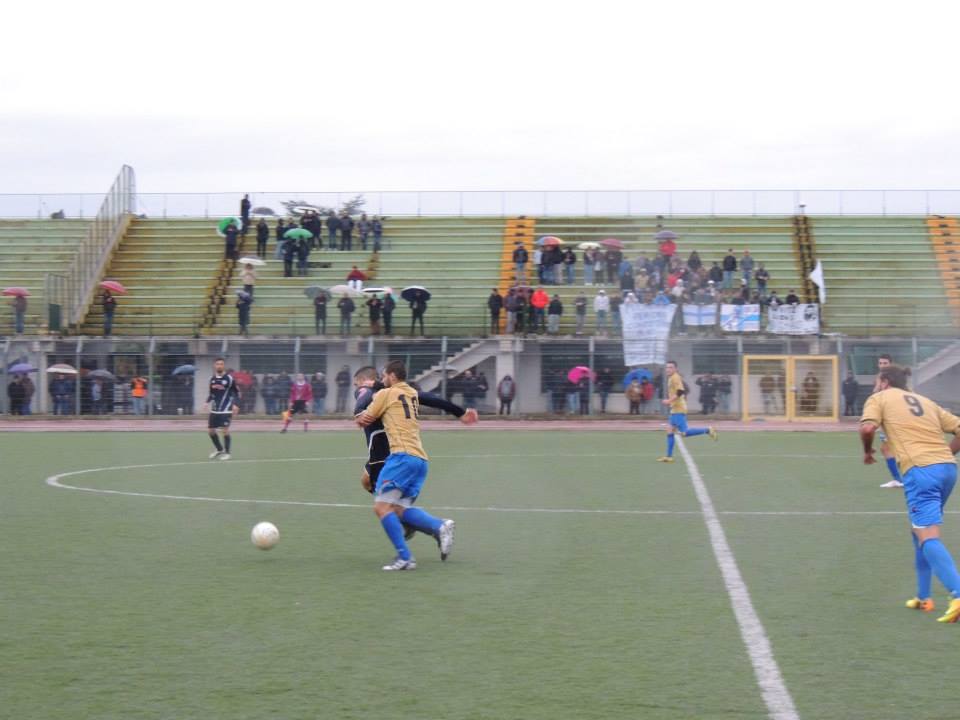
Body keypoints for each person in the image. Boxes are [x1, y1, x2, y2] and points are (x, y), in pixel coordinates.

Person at [860, 364, 960, 622]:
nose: (875, 386)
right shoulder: (925, 401)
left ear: (884, 382)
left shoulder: (879, 398)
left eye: (876, 381)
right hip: (948, 469)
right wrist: (946, 454)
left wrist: (867, 452)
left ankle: (958, 593)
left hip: (920, 471)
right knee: (919, 531)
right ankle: (924, 597)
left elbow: (868, 428)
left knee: (927, 535)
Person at [355, 360, 465, 570]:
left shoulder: (385, 394)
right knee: (399, 508)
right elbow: (432, 400)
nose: (383, 379)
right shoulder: (412, 394)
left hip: (401, 458)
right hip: (420, 459)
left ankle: (405, 558)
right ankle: (439, 526)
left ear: (392, 376)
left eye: (384, 375)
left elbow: (363, 419)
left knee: (381, 507)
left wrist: (368, 393)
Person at [658, 360, 718, 462]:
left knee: (684, 432)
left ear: (675, 369)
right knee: (669, 430)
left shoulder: (675, 377)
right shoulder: (671, 378)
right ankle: (669, 456)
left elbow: (681, 391)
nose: (668, 369)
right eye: (667, 367)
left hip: (678, 408)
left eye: (671, 367)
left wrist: (669, 401)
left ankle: (708, 430)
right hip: (675, 408)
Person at [872, 354, 906, 489]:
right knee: (888, 449)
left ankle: (901, 479)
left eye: (885, 363)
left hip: (895, 419)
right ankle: (900, 479)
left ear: (891, 364)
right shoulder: (879, 378)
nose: (882, 365)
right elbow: (876, 394)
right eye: (880, 363)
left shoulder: (895, 379)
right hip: (886, 419)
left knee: (889, 449)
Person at [203, 358, 239, 460]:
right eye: (217, 364)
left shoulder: (229, 378)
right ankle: (219, 449)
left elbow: (236, 392)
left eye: (221, 364)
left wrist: (236, 404)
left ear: (224, 366)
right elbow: (211, 394)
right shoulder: (212, 379)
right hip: (214, 409)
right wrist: (206, 402)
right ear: (214, 366)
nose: (219, 366)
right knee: (211, 431)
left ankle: (227, 453)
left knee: (225, 430)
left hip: (226, 409)